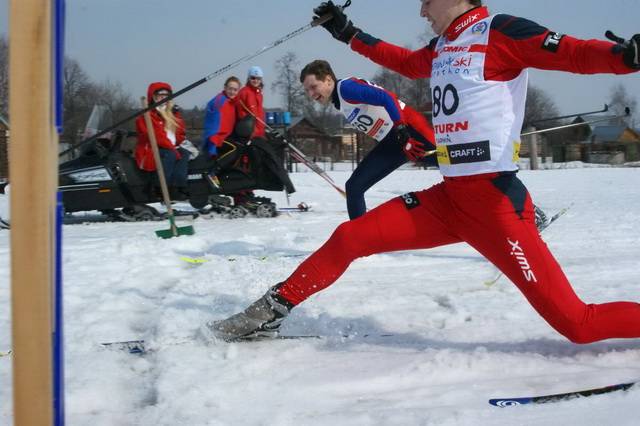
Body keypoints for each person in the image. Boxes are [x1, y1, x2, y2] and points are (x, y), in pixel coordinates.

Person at [206, 0, 640, 343]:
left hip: (496, 207)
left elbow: (575, 53)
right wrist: (349, 34)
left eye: (426, 1)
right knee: (348, 237)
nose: (421, 11)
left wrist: (625, 57)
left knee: (578, 325)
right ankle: (271, 311)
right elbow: (402, 61)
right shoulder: (442, 48)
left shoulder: (501, 31)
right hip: (448, 201)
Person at [300, 59, 437, 219]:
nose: (311, 94)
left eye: (313, 87)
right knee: (354, 187)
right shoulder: (341, 99)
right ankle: (360, 239)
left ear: (328, 80)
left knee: (454, 165)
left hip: (411, 131)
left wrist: (401, 128)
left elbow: (386, 98)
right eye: (307, 90)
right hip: (393, 142)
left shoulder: (345, 89)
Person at [135, 82, 190, 199]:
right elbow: (157, 137)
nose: (163, 98)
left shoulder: (173, 113)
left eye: (166, 95)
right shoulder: (147, 115)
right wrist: (172, 148)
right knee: (170, 155)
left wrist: (179, 142)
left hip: (171, 147)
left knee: (185, 153)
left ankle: (177, 186)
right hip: (152, 149)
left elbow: (180, 132)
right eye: (160, 95)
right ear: (154, 96)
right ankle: (159, 187)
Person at [202, 76, 242, 189]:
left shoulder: (233, 102)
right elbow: (213, 121)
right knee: (235, 149)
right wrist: (212, 141)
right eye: (230, 88)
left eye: (235, 90)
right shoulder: (220, 101)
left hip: (226, 136)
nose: (232, 92)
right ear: (225, 88)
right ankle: (213, 171)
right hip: (218, 137)